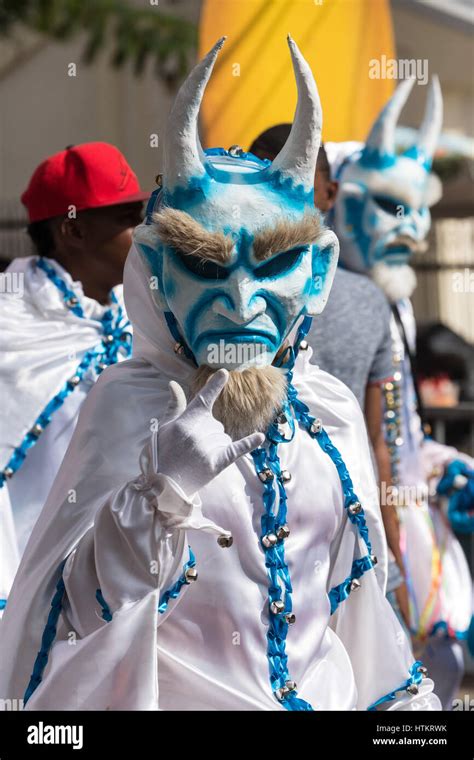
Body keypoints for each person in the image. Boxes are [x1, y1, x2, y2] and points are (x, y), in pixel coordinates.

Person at [0, 37, 439, 711]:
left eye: (271, 266)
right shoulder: (127, 406)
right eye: (205, 265)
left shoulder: (327, 414)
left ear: (317, 272)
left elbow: (356, 614)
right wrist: (157, 495)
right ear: (155, 271)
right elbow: (72, 623)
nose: (240, 303)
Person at [327, 78, 473, 709]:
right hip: (345, 531)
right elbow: (374, 441)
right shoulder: (326, 300)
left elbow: (398, 431)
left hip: (403, 524)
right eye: (391, 207)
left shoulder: (392, 303)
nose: (413, 230)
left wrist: (443, 467)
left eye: (419, 211)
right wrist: (389, 536)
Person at [250, 126, 409, 628]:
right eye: (268, 181)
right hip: (271, 527)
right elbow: (383, 443)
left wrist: (393, 554)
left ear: (329, 192)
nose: (281, 194)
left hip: (309, 527)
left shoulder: (226, 296)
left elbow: (380, 439)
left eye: (294, 179)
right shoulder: (232, 297)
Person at [0, 142, 147, 611]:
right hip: (33, 583)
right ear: (74, 230)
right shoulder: (11, 327)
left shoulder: (146, 317)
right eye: (127, 217)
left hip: (127, 577)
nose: (142, 232)